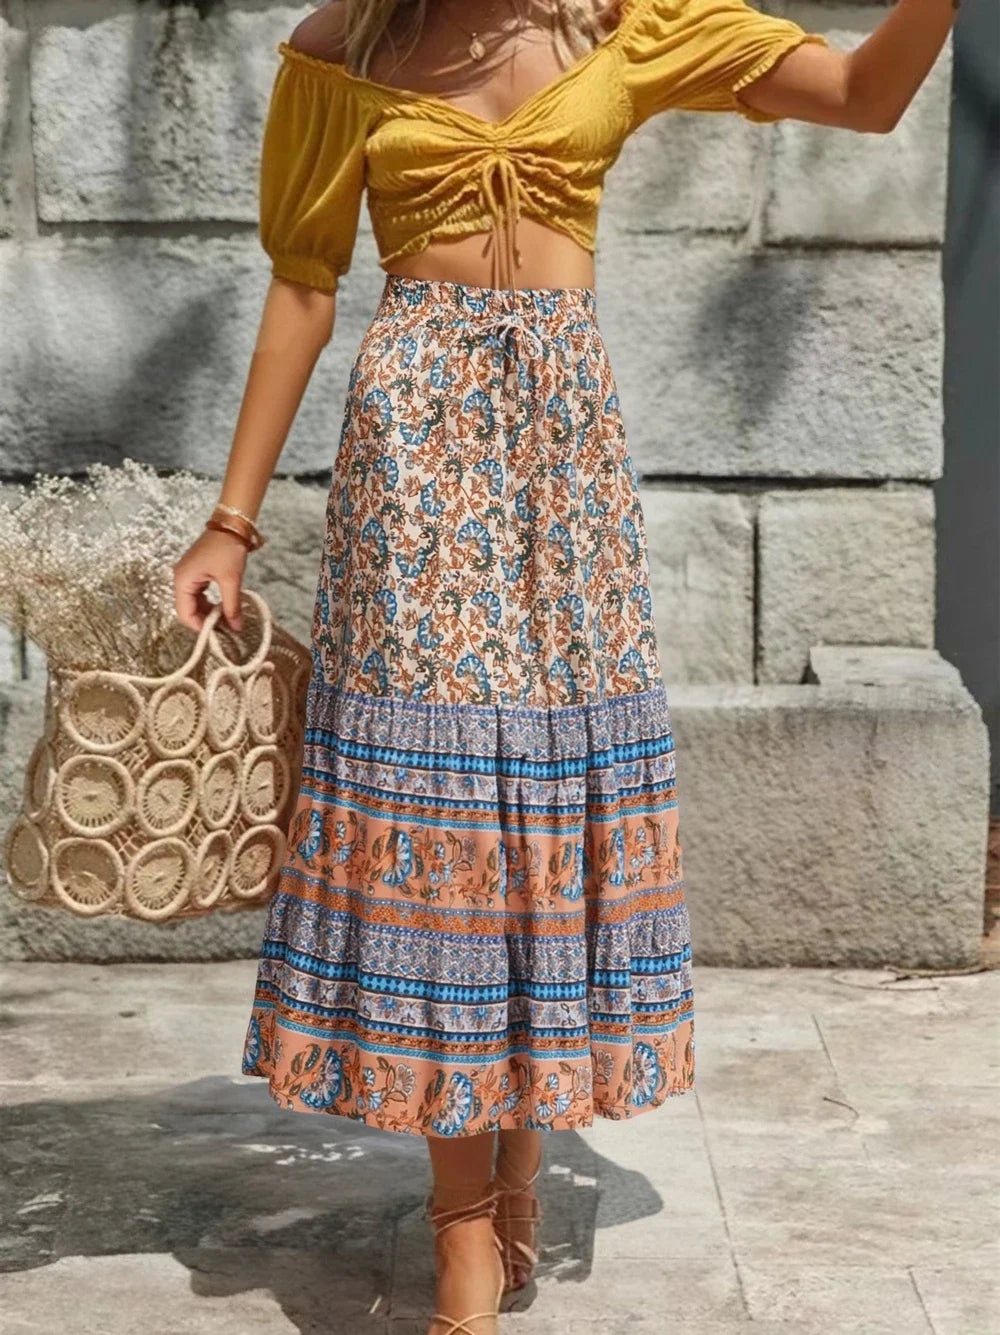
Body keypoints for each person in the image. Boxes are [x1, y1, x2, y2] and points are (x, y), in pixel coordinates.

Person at [172, 2, 958, 1330]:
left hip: (566, 465)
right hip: (416, 457)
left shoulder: (628, 27)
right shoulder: (343, 50)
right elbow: (304, 286)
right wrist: (230, 523)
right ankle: (463, 1229)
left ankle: (518, 1151)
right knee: (444, 815)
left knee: (543, 805)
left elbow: (869, 94)